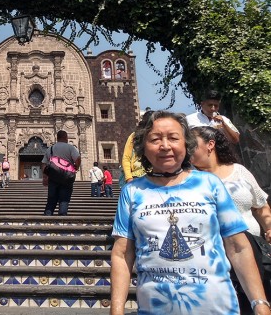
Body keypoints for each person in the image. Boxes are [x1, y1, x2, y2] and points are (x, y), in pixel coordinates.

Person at [110, 111, 270, 315]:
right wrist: (116, 310)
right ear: (143, 147)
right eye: (155, 139)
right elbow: (122, 254)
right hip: (155, 309)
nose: (165, 146)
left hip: (218, 308)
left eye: (173, 138)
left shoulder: (209, 184)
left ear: (186, 144)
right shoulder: (132, 192)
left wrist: (260, 303)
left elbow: (238, 247)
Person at [191, 126, 271, 313]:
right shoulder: (190, 179)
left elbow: (260, 207)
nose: (186, 149)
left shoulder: (240, 171)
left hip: (251, 251)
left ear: (210, 145)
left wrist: (269, 226)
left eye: (192, 145)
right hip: (213, 254)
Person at [41, 130, 81, 216]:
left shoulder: (50, 149)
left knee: (51, 200)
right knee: (64, 199)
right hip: (67, 177)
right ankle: (62, 220)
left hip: (53, 177)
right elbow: (78, 158)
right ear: (66, 138)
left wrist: (45, 178)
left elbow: (44, 164)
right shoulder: (71, 148)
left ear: (57, 138)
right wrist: (76, 167)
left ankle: (47, 220)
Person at [121, 110, 154, 185]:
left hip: (155, 175)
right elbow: (126, 157)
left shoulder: (160, 136)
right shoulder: (134, 136)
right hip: (137, 176)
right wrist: (129, 178)